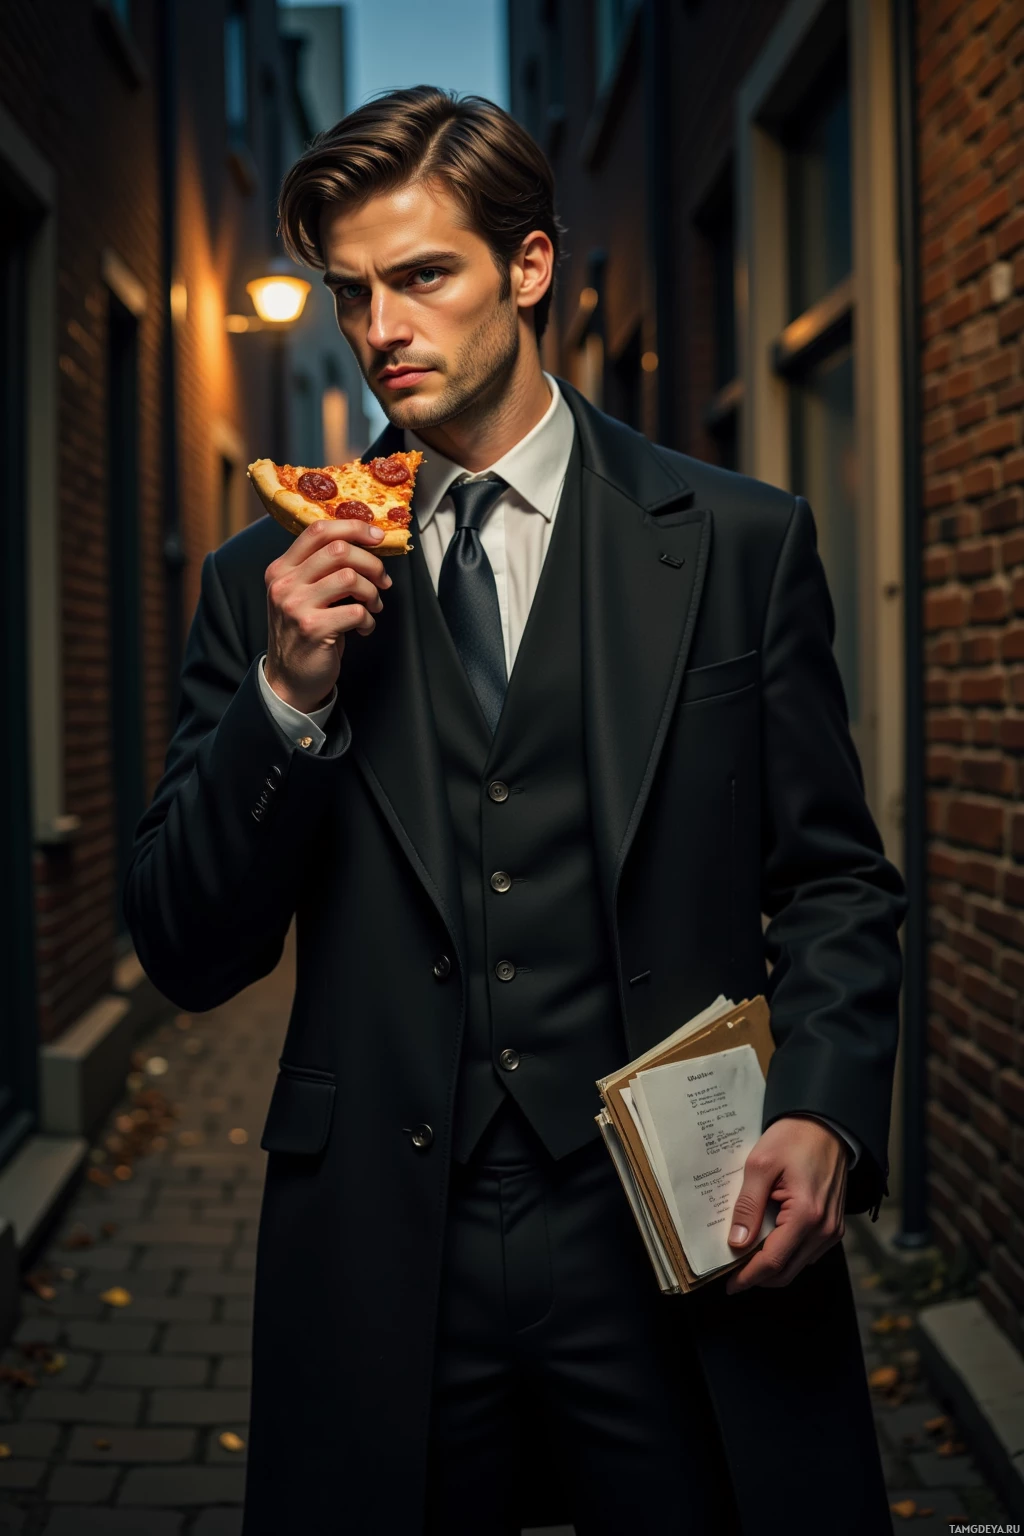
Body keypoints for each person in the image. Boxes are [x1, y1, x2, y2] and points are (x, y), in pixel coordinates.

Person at [126, 85, 906, 1536]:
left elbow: (838, 881)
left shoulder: (738, 541)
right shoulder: (264, 582)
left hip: (676, 1231)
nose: (380, 329)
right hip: (381, 1239)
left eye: (423, 276)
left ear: (530, 267)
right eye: (354, 292)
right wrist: (286, 706)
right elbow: (185, 948)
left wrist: (828, 1107)